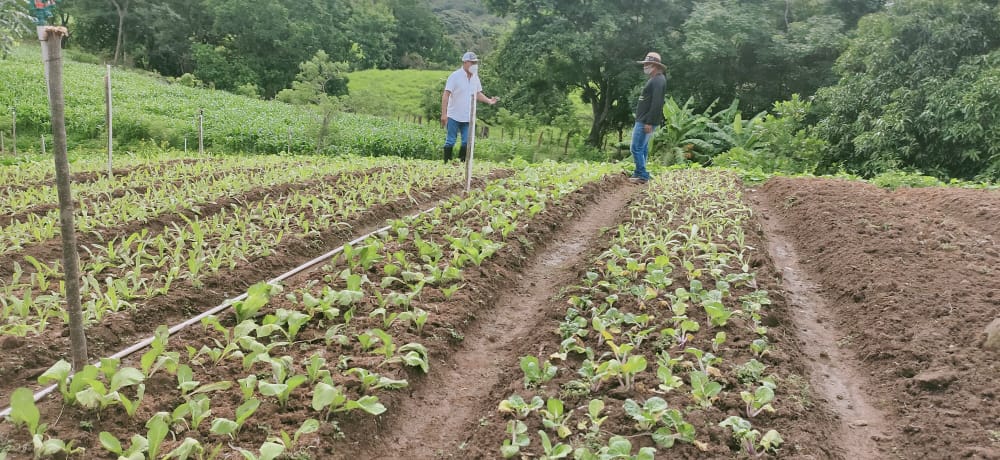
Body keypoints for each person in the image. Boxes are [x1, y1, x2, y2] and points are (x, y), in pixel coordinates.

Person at [441, 51, 498, 163]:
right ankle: (446, 164)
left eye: (475, 63)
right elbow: (446, 94)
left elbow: (477, 93)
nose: (474, 65)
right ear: (465, 62)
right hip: (454, 115)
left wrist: (489, 101)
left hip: (468, 117)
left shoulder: (475, 78)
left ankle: (462, 165)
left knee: (466, 142)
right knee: (450, 141)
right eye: (472, 63)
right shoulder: (455, 76)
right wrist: (444, 114)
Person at [628, 52, 667, 184]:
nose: (645, 66)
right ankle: (640, 172)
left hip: (645, 121)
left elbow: (657, 103)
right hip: (644, 119)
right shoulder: (655, 79)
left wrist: (649, 122)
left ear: (655, 65)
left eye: (647, 64)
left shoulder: (658, 81)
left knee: (636, 147)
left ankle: (642, 174)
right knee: (642, 148)